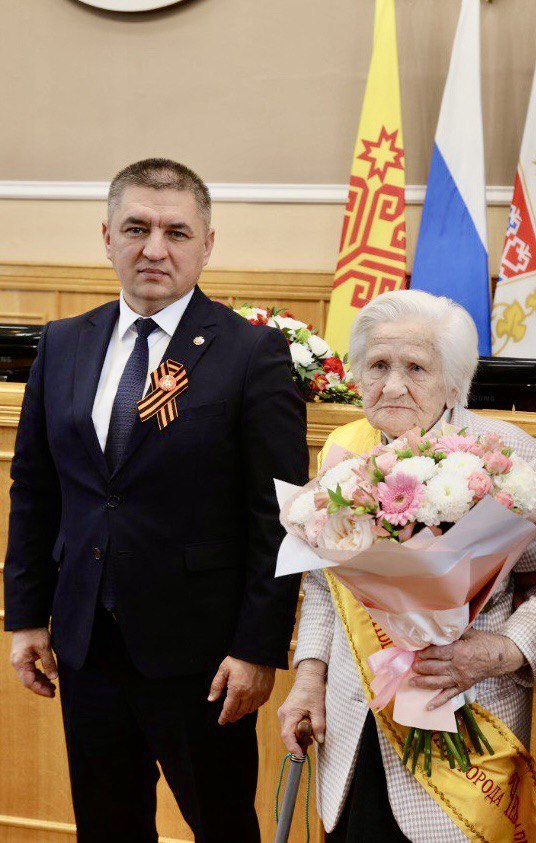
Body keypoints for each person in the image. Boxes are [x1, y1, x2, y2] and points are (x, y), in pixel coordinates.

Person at [4, 158, 309, 842]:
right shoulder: (63, 342)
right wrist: (25, 615)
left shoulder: (251, 353)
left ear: (207, 244)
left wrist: (258, 647)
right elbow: (35, 487)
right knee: (106, 827)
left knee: (222, 827)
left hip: (202, 655)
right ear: (106, 237)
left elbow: (279, 517)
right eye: (136, 228)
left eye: (176, 232)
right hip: (86, 643)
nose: (153, 249)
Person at [278, 289, 536, 842]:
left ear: (455, 382)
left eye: (415, 368)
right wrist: (309, 678)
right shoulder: (343, 450)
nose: (392, 386)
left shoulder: (508, 456)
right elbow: (323, 582)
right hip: (352, 721)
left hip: (467, 719)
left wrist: (505, 650)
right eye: (378, 365)